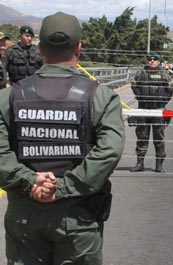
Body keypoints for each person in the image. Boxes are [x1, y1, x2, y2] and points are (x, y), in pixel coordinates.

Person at [0, 12, 125, 264]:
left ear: (41, 48)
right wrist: (64, 188)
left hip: (25, 214)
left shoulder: (9, 97)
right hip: (78, 216)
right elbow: (109, 150)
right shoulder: (99, 96)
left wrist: (28, 180)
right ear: (79, 48)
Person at [129, 51, 173, 172]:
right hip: (143, 110)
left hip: (158, 111)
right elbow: (133, 85)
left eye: (155, 59)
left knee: (158, 139)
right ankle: (140, 163)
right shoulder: (140, 73)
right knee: (142, 138)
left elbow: (171, 89)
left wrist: (163, 102)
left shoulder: (165, 74)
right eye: (150, 59)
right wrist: (139, 96)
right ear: (147, 61)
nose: (152, 61)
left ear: (159, 61)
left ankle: (159, 165)